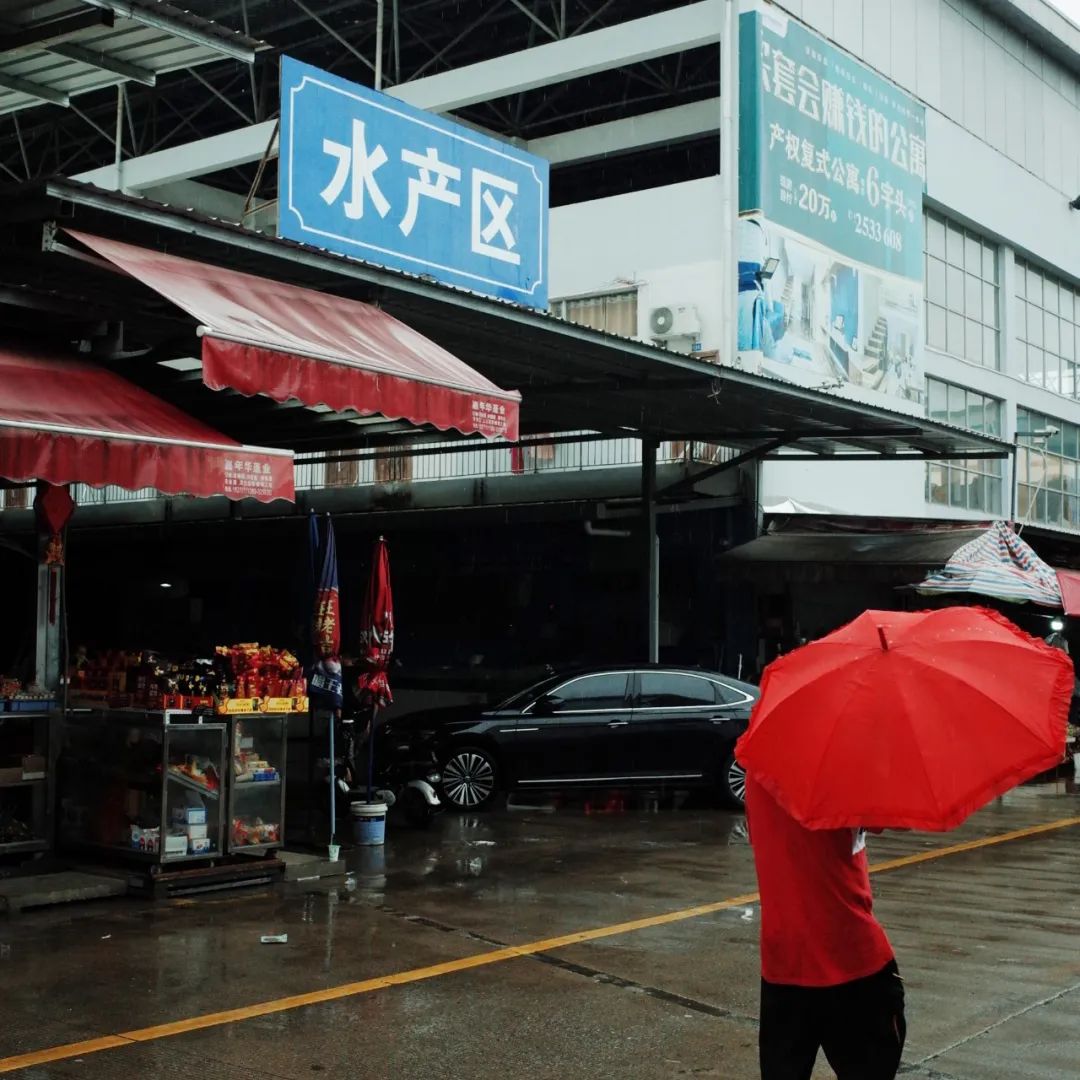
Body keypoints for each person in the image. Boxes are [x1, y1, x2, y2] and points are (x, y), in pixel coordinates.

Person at [746, 774, 905, 1080]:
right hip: (853, 963)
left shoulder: (757, 765)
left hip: (784, 964)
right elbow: (904, 815)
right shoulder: (838, 772)